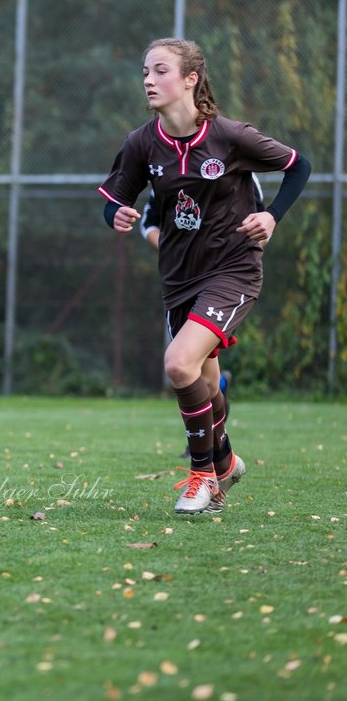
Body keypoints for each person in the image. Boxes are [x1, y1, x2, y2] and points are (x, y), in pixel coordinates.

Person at [99, 38, 310, 514]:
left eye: (160, 71)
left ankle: (204, 481)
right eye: (145, 72)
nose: (148, 80)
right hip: (178, 278)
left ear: (191, 79)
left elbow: (299, 166)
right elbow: (115, 199)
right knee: (206, 388)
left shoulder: (229, 136)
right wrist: (115, 215)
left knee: (177, 365)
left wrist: (272, 215)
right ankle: (226, 459)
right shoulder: (141, 142)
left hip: (232, 269)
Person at [141, 178, 263, 456]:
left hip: (225, 281)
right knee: (195, 370)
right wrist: (177, 250)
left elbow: (261, 224)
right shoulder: (168, 169)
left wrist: (238, 264)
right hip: (182, 282)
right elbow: (148, 223)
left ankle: (204, 455)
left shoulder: (240, 167)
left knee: (182, 363)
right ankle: (219, 396)